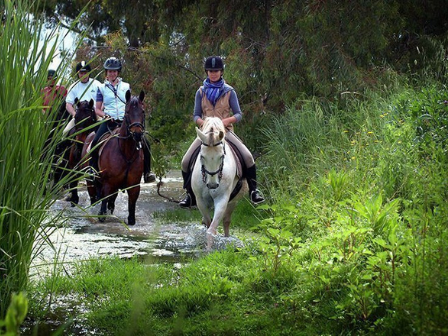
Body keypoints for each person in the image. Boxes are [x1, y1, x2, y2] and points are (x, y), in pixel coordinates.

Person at [179, 55, 265, 207]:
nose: (213, 73)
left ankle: (254, 191)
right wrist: (204, 123)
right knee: (185, 161)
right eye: (211, 71)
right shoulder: (200, 92)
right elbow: (196, 116)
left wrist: (223, 122)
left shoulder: (229, 91)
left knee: (248, 157)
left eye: (216, 70)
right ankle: (189, 194)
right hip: (205, 134)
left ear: (221, 72)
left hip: (225, 132)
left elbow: (238, 114)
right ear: (207, 72)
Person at [89, 57, 155, 183]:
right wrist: (105, 116)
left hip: (125, 122)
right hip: (109, 122)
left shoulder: (126, 86)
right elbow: (97, 109)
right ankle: (92, 170)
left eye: (114, 71)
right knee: (95, 141)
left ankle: (147, 172)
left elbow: (131, 103)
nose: (112, 73)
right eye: (109, 71)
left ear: (118, 72)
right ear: (106, 73)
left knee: (145, 142)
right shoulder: (102, 88)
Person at [63, 61, 102, 135]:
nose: (83, 75)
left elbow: (103, 101)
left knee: (104, 130)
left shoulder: (97, 84)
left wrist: (99, 110)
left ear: (89, 73)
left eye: (85, 73)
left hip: (94, 113)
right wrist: (74, 114)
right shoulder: (73, 86)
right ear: (78, 73)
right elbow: (68, 104)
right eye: (81, 73)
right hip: (79, 115)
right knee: (65, 132)